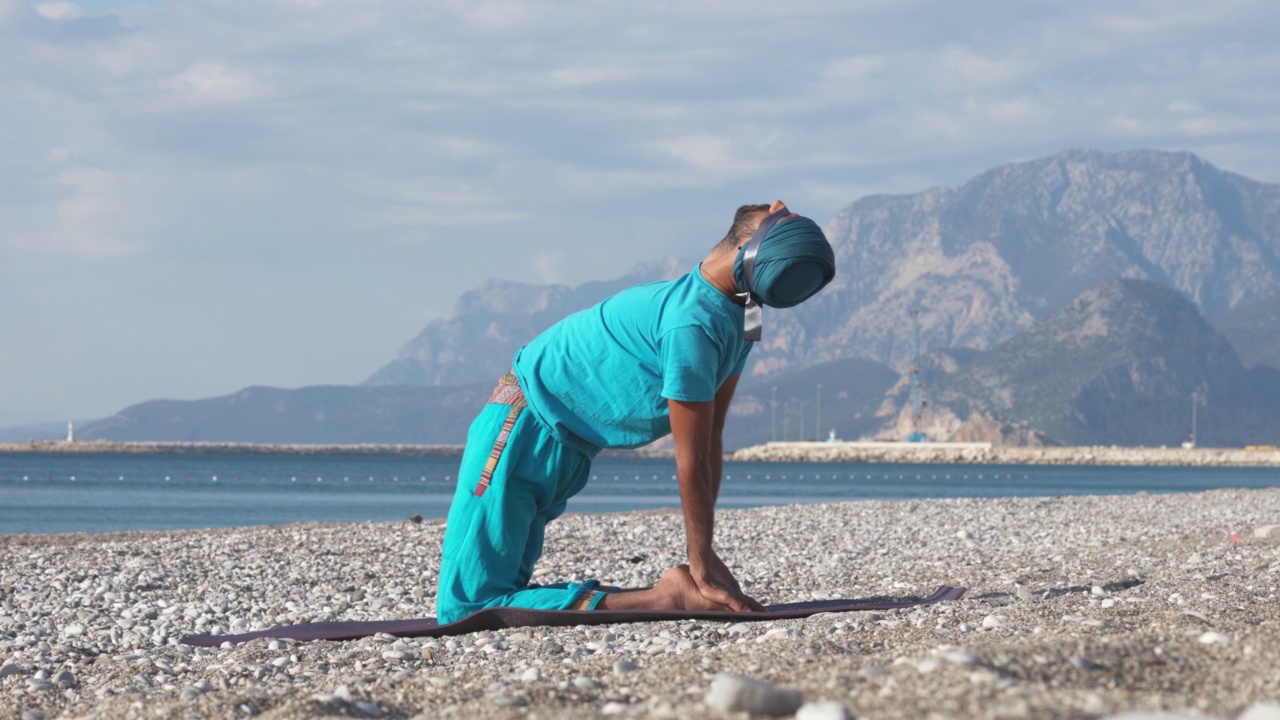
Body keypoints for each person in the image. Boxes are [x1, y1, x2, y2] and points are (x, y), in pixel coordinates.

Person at [435, 200, 836, 623]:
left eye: (782, 214)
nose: (781, 204)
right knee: (499, 592)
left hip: (522, 429)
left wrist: (700, 558)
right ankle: (665, 594)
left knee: (465, 607)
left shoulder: (695, 324)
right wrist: (703, 556)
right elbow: (709, 441)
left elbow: (696, 451)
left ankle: (664, 597)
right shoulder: (741, 316)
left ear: (748, 252)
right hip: (562, 446)